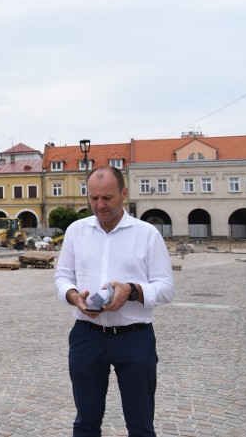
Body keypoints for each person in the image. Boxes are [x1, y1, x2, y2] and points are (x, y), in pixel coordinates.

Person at [54, 166, 175, 437]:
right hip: (87, 335)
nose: (99, 205)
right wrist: (75, 297)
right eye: (93, 198)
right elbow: (62, 278)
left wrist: (131, 290)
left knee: (140, 424)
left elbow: (166, 288)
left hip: (134, 337)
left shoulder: (146, 234)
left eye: (107, 198)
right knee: (85, 422)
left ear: (123, 193)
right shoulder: (76, 231)